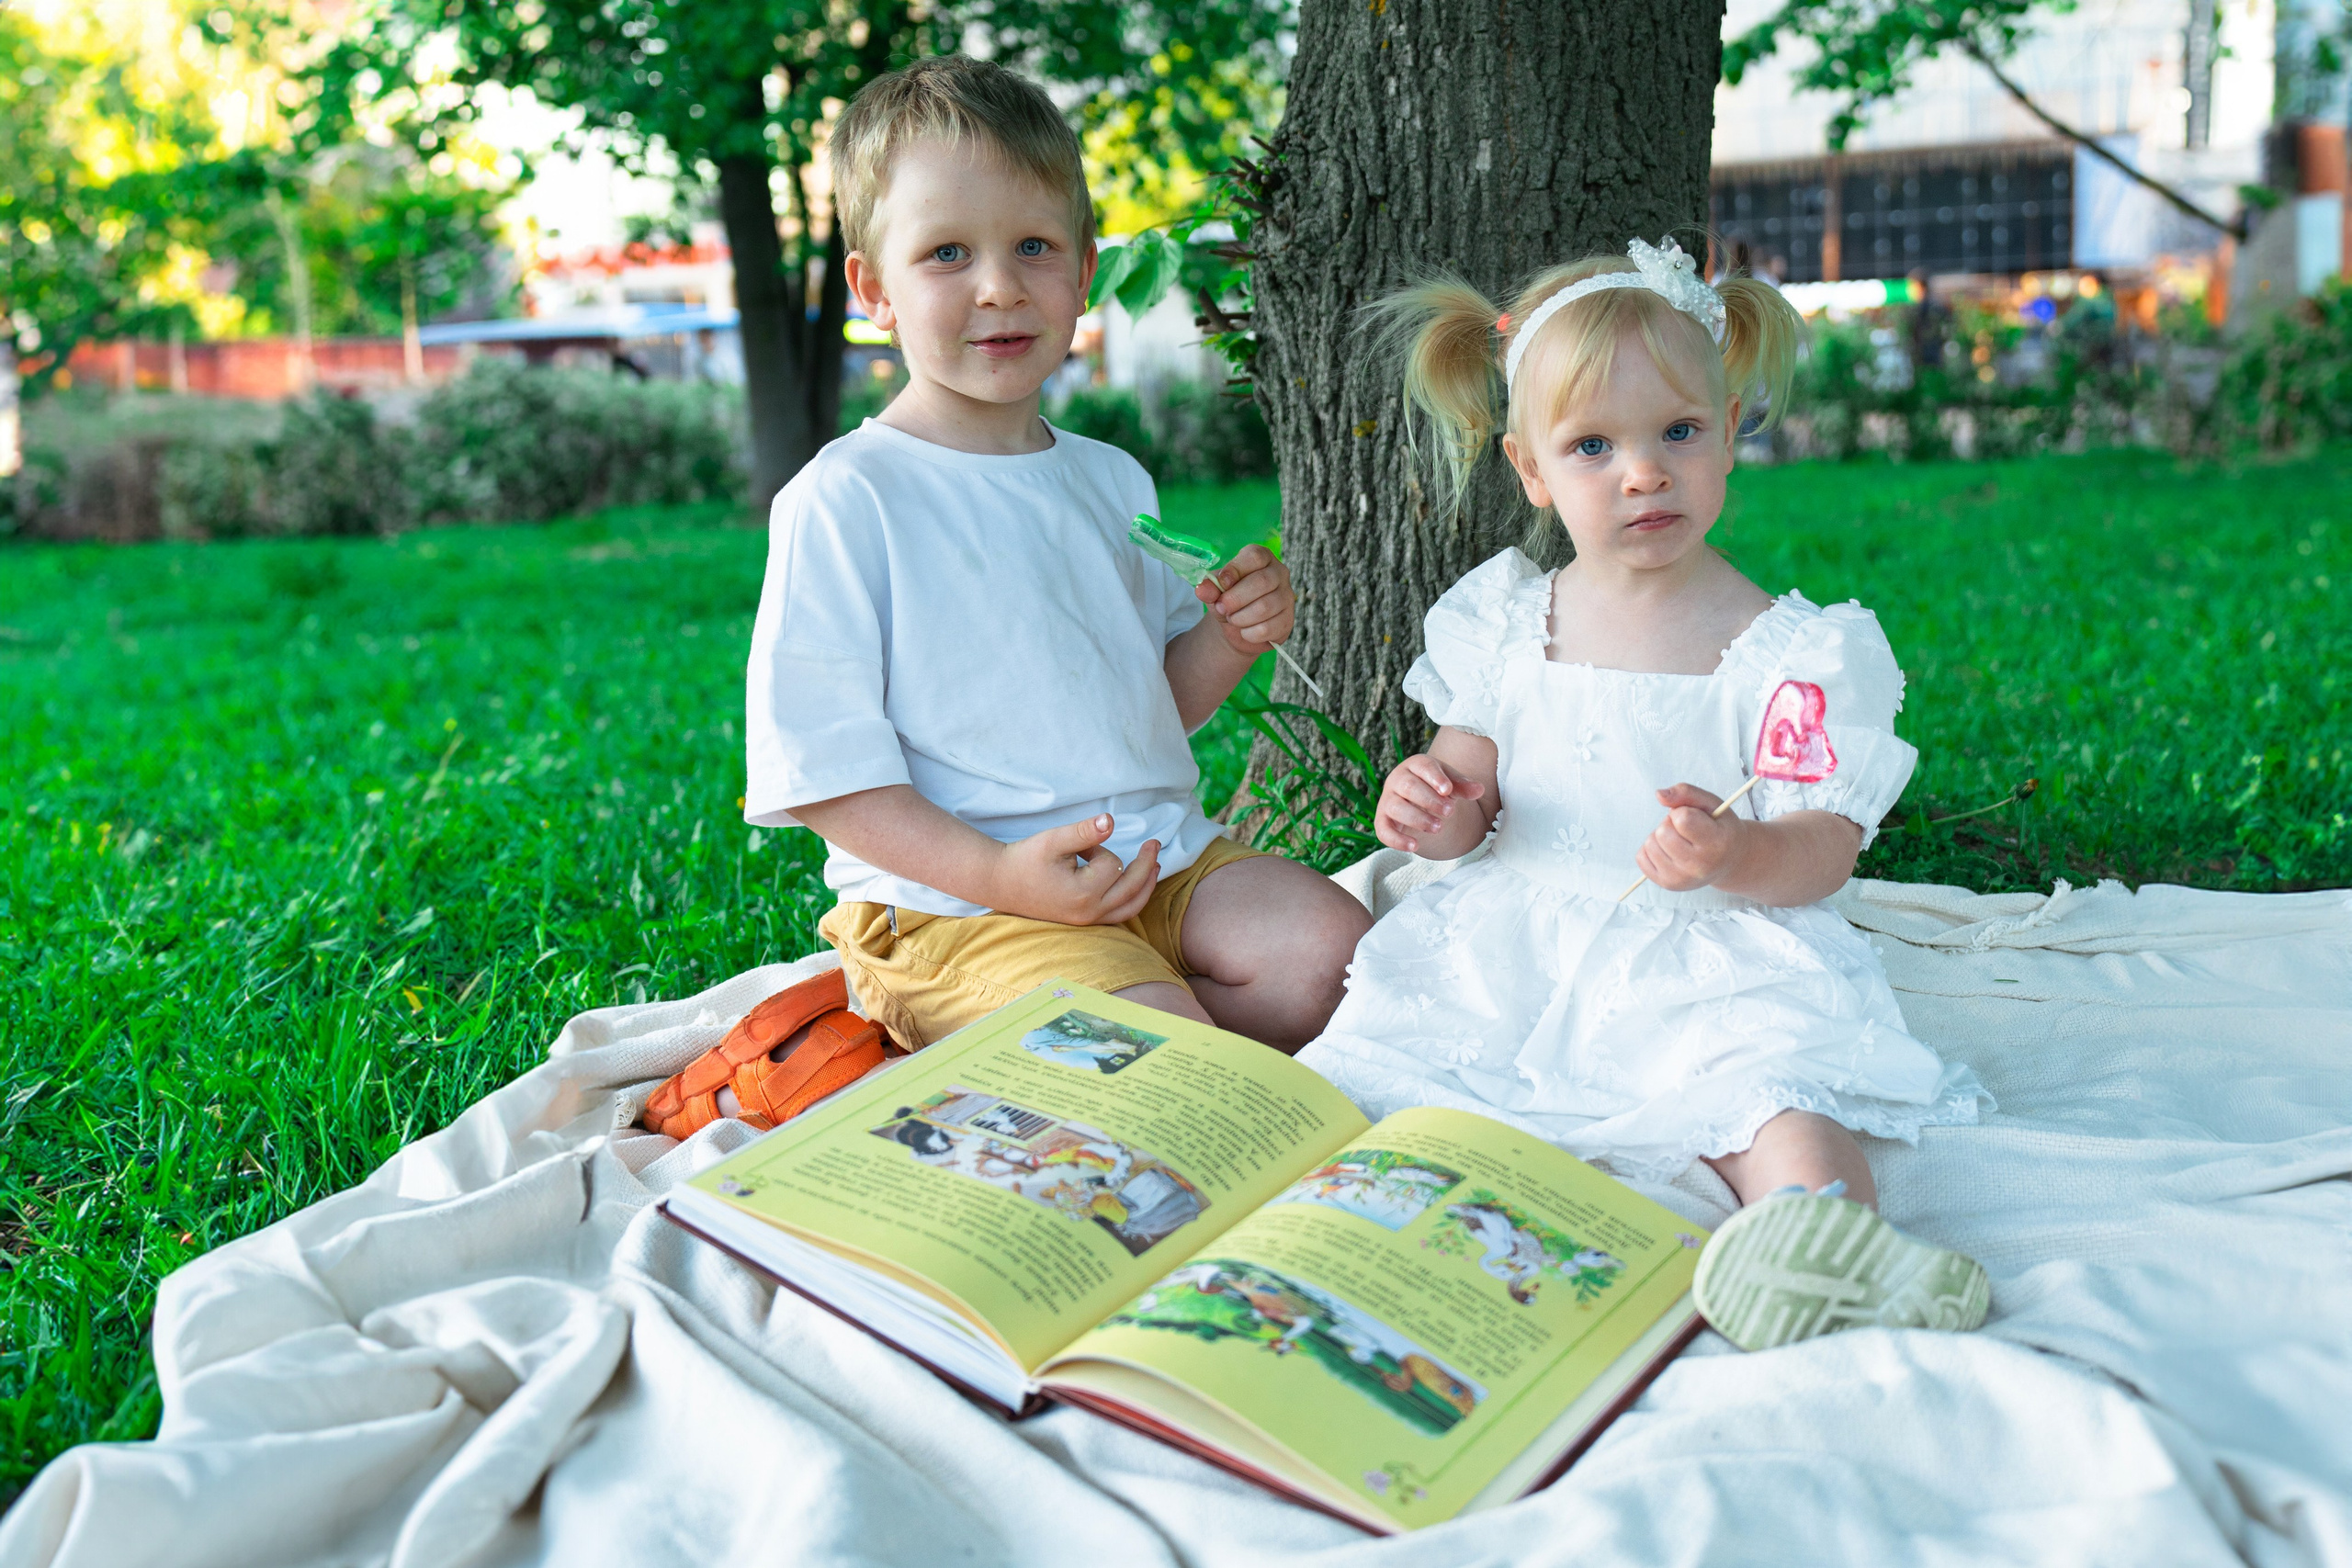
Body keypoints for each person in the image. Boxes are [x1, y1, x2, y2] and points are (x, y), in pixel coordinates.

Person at [1295, 239, 1994, 1352]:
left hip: (1711, 948)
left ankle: (1826, 1234)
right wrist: (1429, 806)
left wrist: (1736, 855)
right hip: (1519, 939)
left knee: (1772, 1092)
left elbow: (1824, 845)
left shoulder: (1788, 654)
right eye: (1593, 446)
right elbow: (1469, 791)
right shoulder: (1507, 622)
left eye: (1677, 432)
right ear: (1530, 469)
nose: (1643, 473)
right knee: (1402, 1066)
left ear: (1730, 431)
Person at [740, 59, 1372, 1067]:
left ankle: (1141, 1027)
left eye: (1033, 247)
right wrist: (1001, 877)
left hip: (1153, 862)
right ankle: (1137, 1038)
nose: (999, 286)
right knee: (1159, 1053)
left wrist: (1230, 637)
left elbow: (1152, 704)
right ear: (874, 290)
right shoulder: (849, 498)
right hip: (956, 905)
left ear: (1083, 274)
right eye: (947, 253)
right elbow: (826, 778)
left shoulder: (1111, 480)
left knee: (1340, 963)